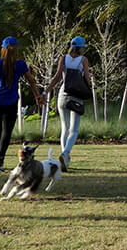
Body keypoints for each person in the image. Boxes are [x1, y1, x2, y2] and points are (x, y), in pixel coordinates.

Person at [0, 37, 46, 174]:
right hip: (11, 102)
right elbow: (31, 81)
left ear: (3, 49)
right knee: (6, 133)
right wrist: (37, 96)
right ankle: (0, 160)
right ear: (16, 49)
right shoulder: (20, 65)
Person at [48, 35, 93, 172]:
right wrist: (90, 88)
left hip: (63, 94)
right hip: (76, 96)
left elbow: (56, 77)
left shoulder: (63, 58)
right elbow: (87, 78)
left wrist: (46, 91)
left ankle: (65, 161)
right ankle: (65, 153)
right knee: (74, 129)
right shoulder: (83, 60)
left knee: (64, 128)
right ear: (81, 48)